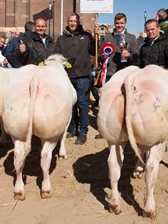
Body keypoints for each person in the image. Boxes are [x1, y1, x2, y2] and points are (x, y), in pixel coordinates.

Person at [56, 13, 95, 145]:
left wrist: (95, 37)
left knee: (82, 103)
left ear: (78, 22)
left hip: (83, 74)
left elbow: (94, 50)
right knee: (70, 104)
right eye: (70, 21)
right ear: (67, 22)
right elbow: (57, 55)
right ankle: (72, 128)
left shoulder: (85, 36)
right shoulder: (61, 39)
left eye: (75, 21)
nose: (72, 23)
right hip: (67, 75)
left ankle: (83, 131)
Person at [96, 13, 139, 82]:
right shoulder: (107, 37)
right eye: (117, 23)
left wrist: (129, 55)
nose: (119, 25)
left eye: (122, 23)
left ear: (125, 23)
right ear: (114, 23)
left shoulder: (132, 37)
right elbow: (98, 54)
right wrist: (102, 57)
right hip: (109, 74)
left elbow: (137, 56)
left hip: (125, 75)